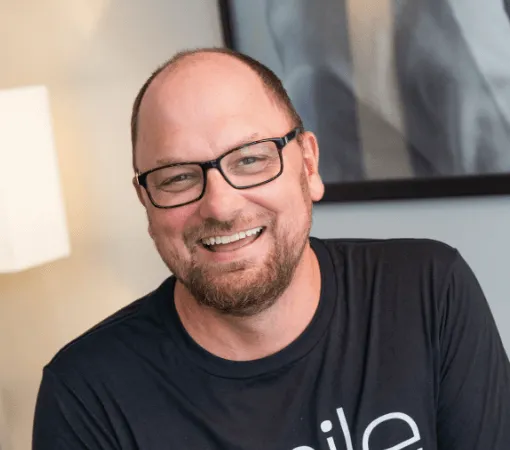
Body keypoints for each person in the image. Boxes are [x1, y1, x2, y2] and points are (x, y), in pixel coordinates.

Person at [32, 48, 510, 449]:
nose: (220, 205)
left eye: (251, 159)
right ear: (145, 201)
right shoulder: (86, 395)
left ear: (309, 165)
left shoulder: (427, 289)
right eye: (177, 178)